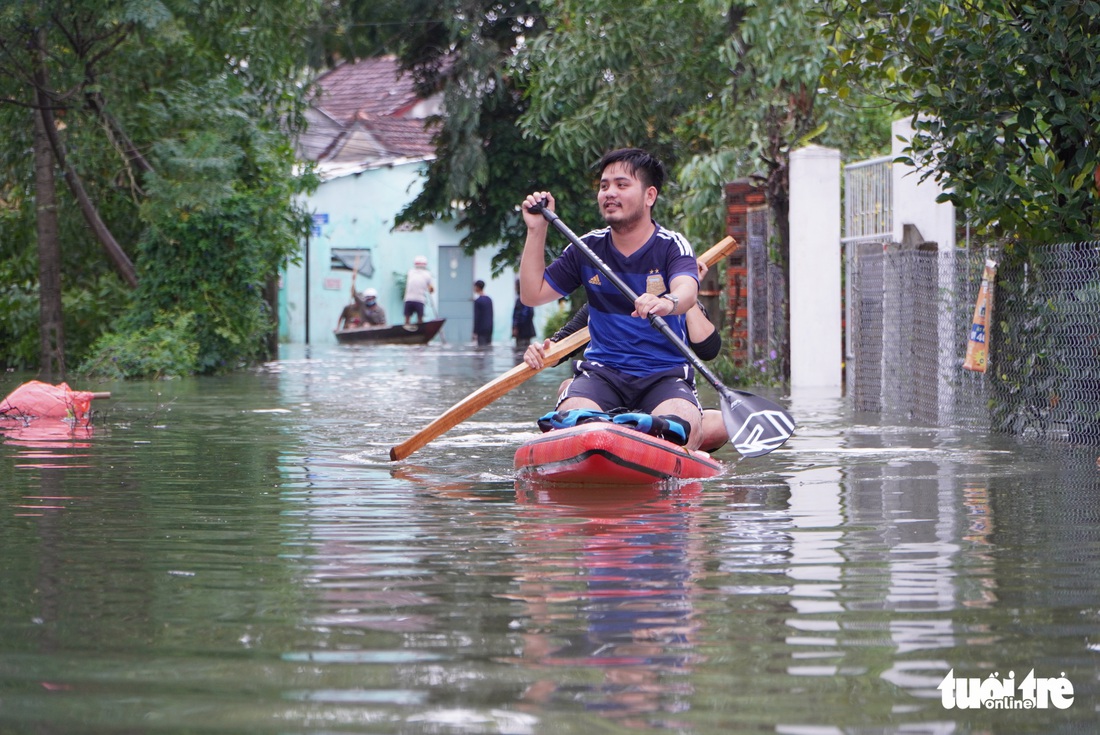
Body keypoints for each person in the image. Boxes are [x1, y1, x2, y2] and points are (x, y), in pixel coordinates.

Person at [519, 147, 704, 449]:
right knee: (571, 417)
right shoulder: (586, 247)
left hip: (663, 376)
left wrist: (666, 302)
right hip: (602, 373)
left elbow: (686, 289)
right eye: (604, 186)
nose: (609, 193)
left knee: (683, 425)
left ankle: (668, 426)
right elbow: (532, 294)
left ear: (649, 196)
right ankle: (610, 424)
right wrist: (536, 230)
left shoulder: (672, 245)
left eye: (621, 184)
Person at [527, 260, 729, 452]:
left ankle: (646, 429)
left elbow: (708, 350)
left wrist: (688, 289)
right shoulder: (604, 300)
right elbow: (560, 345)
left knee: (721, 426)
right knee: (567, 387)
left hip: (661, 389)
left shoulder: (680, 301)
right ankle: (616, 424)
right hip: (608, 384)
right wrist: (540, 352)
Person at [403, 255, 435, 327]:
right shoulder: (427, 274)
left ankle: (406, 328)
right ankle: (420, 329)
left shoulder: (410, 272)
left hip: (408, 298)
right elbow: (431, 289)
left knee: (407, 319)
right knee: (420, 319)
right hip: (419, 299)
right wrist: (430, 288)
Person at [511, 279, 537, 348]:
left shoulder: (521, 300)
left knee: (521, 349)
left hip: (522, 330)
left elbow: (520, 315)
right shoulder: (527, 298)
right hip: (527, 330)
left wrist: (516, 327)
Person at [472, 280, 494, 346]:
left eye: (475, 287)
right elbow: (491, 314)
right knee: (488, 348)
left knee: (481, 348)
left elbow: (477, 317)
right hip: (489, 328)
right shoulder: (489, 299)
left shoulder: (478, 301)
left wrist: (475, 331)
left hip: (481, 329)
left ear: (478, 287)